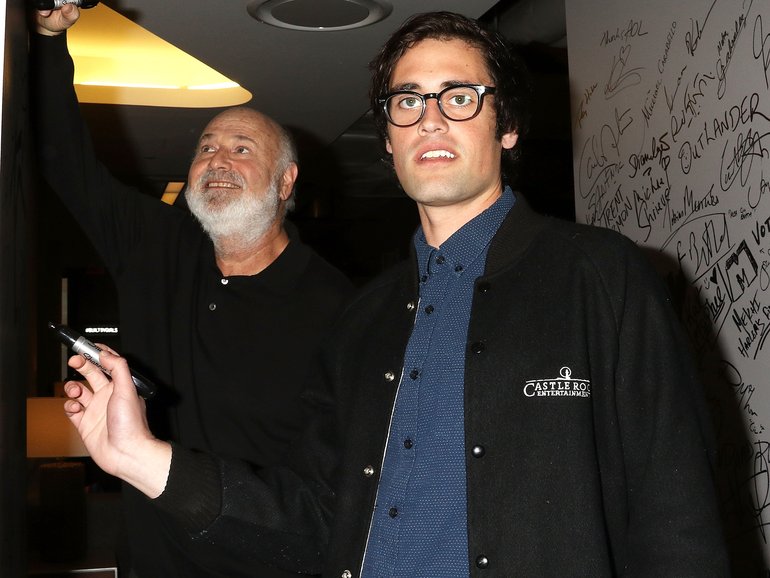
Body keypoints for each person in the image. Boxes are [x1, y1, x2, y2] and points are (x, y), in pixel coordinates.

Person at [61, 11, 731, 577]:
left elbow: (678, 518)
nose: (430, 119)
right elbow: (316, 520)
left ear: (507, 126)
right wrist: (140, 457)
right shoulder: (364, 318)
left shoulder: (601, 276)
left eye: (459, 96)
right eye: (408, 101)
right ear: (387, 138)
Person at [32, 5, 352, 578]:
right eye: (206, 147)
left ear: (286, 181)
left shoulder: (338, 308)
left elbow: (334, 493)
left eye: (242, 148)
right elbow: (66, 162)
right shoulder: (157, 246)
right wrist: (48, 40)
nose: (217, 160)